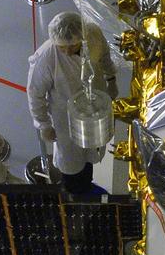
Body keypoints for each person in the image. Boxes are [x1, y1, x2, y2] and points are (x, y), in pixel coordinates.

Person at [28, 12, 118, 194]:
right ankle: (74, 193)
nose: (67, 52)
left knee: (92, 149)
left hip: (94, 107)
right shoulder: (46, 58)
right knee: (71, 158)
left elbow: (104, 57)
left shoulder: (92, 34)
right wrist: (44, 124)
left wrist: (111, 78)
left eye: (72, 46)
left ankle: (87, 183)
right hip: (65, 117)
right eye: (62, 47)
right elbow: (35, 93)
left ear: (82, 37)